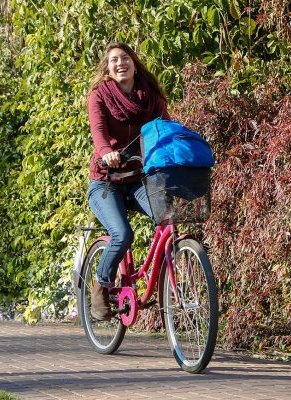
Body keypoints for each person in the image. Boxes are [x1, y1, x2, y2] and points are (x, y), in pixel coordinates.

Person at [87, 42, 170, 321]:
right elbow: (99, 132)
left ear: (134, 63)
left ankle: (160, 281)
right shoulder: (99, 95)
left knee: (168, 218)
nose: (120, 63)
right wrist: (105, 153)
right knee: (122, 234)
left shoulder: (151, 96)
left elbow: (165, 130)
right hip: (106, 182)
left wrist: (177, 150)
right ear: (108, 68)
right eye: (113, 60)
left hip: (138, 179)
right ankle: (102, 284)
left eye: (125, 58)